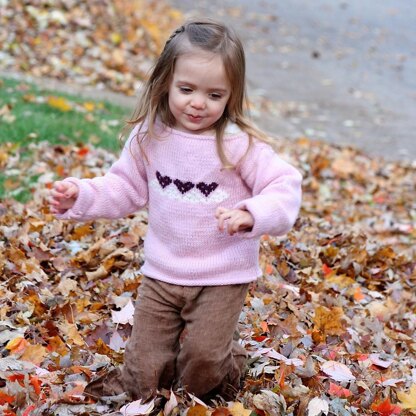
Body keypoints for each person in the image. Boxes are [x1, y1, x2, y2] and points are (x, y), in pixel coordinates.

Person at [49, 19, 302, 402]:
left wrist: (253, 213)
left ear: (232, 94)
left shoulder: (237, 145)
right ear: (166, 81)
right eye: (187, 89)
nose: (198, 103)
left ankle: (228, 364)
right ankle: (156, 384)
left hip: (221, 276)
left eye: (215, 95)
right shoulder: (151, 136)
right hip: (163, 273)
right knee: (143, 375)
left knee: (201, 364)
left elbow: (284, 186)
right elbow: (124, 187)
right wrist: (81, 196)